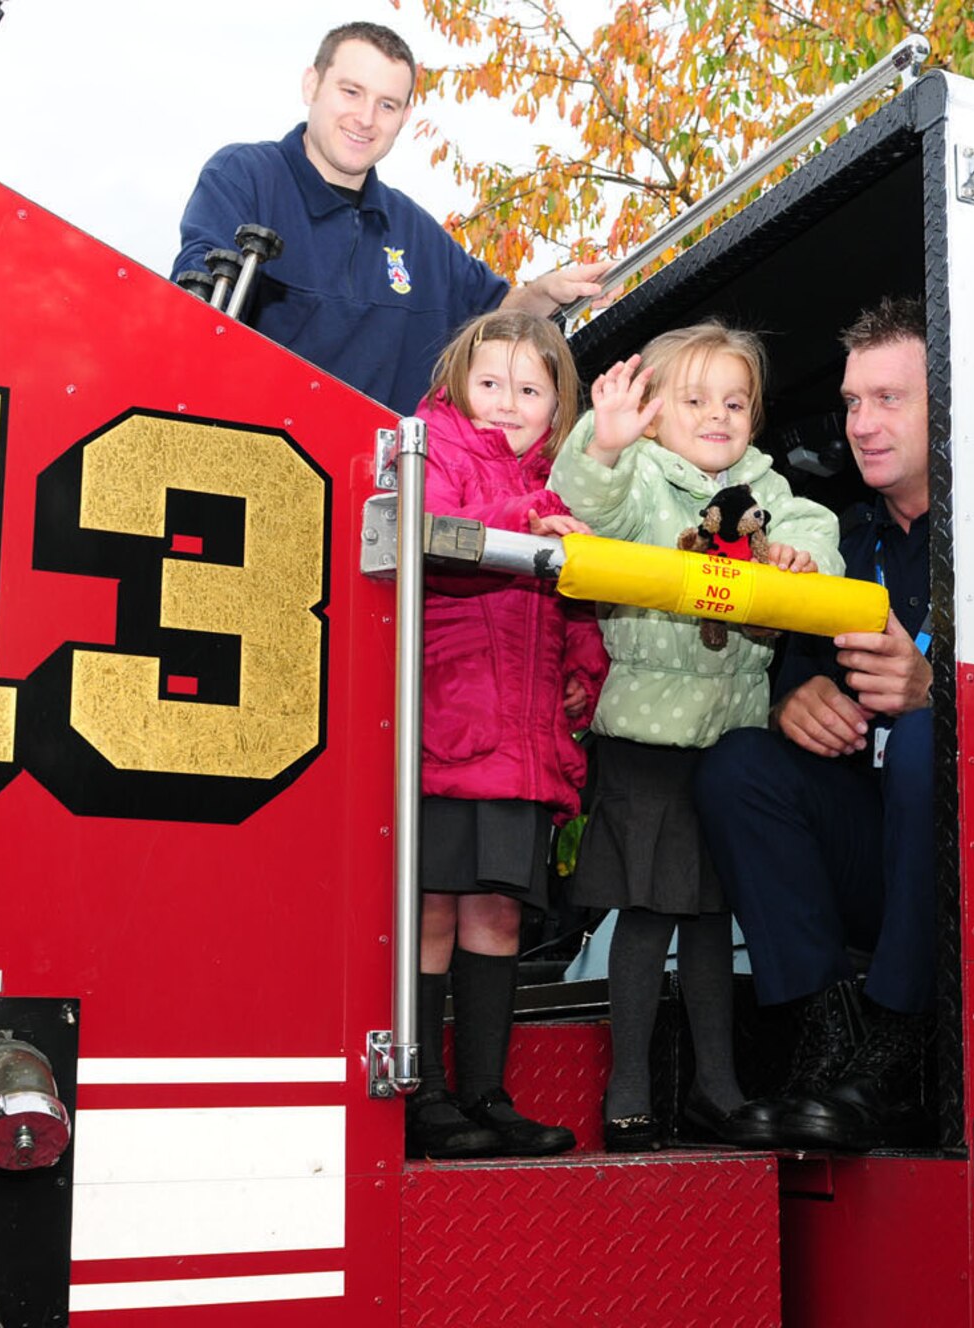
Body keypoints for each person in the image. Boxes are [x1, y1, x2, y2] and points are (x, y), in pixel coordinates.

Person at [549, 323, 843, 1150]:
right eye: (694, 400)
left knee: (713, 917)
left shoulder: (765, 487)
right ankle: (629, 1086)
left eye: (735, 402)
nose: (717, 416)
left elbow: (818, 528)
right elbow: (587, 501)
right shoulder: (641, 477)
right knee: (647, 915)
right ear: (652, 415)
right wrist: (602, 443)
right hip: (645, 736)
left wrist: (796, 557)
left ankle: (718, 1088)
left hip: (729, 737)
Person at [696, 296, 935, 1152]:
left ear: (949, 402)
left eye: (889, 398)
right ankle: (828, 1044)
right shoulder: (842, 535)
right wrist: (787, 699)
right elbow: (794, 669)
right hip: (868, 850)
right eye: (852, 401)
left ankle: (900, 1044)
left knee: (922, 741)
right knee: (738, 764)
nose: (861, 424)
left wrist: (936, 690)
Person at [405, 310, 608, 1158]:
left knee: (499, 918)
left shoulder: (554, 486)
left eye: (529, 389)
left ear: (556, 408)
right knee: (431, 917)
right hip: (448, 733)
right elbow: (441, 544)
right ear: (457, 384)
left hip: (521, 747)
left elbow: (577, 602)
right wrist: (527, 515)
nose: (505, 403)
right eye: (490, 383)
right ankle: (419, 1093)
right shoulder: (429, 451)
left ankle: (488, 1091)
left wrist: (584, 673)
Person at [174, 21, 611, 415]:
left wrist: (548, 291)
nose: (365, 118)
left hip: (382, 494)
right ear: (312, 84)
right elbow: (196, 304)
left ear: (405, 117)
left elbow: (497, 313)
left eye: (387, 105)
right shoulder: (245, 178)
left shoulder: (415, 233)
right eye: (351, 91)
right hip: (251, 471)